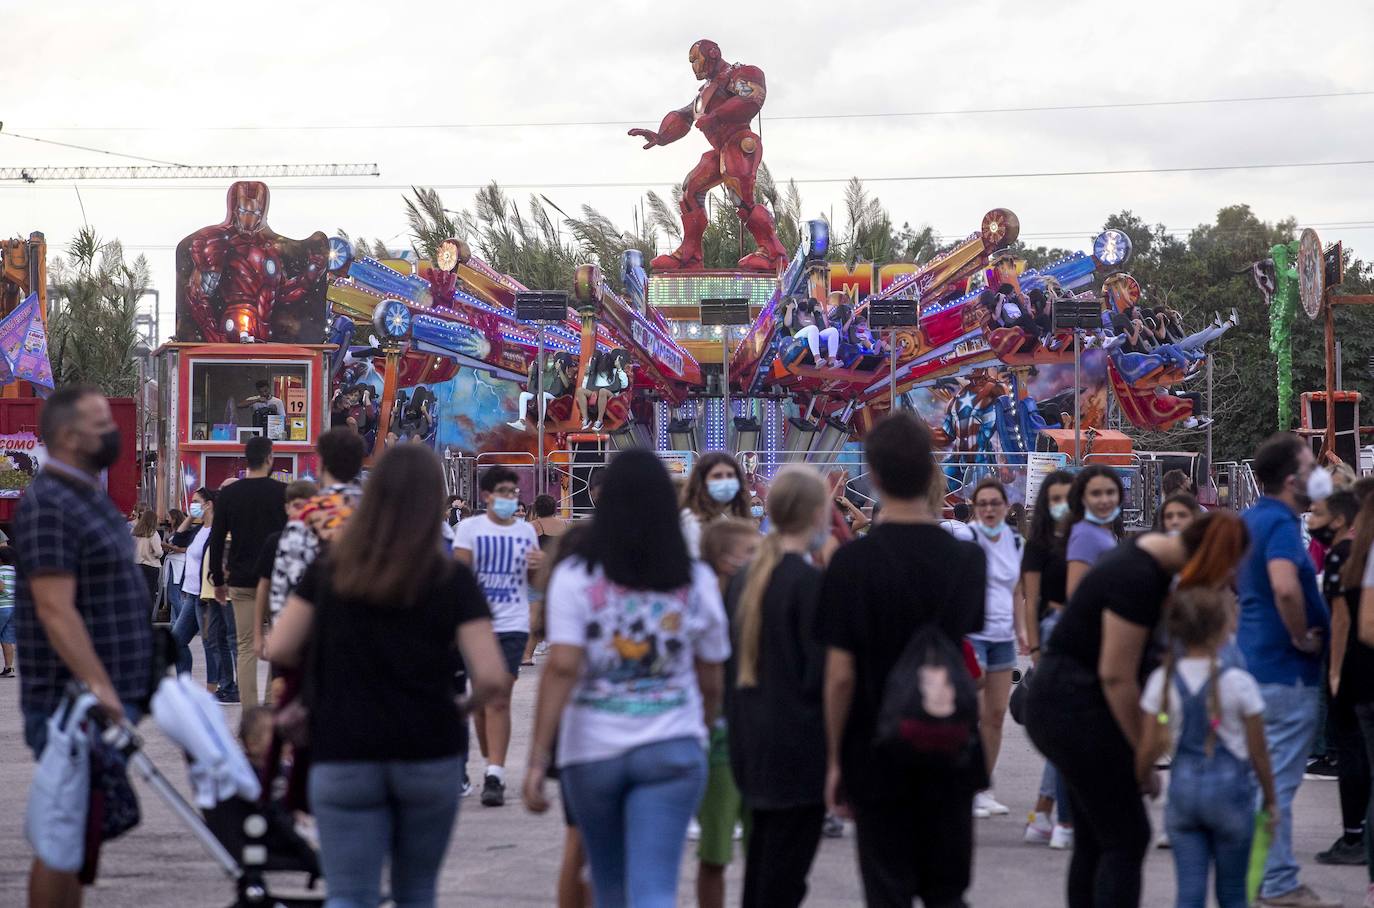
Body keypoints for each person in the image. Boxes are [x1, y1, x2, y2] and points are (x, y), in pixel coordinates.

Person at [268, 443, 511, 908]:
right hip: (427, 749)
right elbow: (493, 678)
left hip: (342, 749)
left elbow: (280, 646)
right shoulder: (450, 580)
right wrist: (456, 709)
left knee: (349, 895)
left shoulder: (331, 570)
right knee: (416, 893)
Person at [523, 449, 730, 908]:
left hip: (593, 751)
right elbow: (711, 676)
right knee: (655, 887)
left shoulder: (576, 574)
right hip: (673, 744)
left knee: (607, 882)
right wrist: (699, 727)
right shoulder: (695, 579)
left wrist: (538, 758)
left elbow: (561, 666)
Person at [1024, 508, 1249, 908]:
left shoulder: (1143, 554)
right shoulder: (1138, 577)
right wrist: (1141, 756)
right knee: (1127, 838)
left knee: (1096, 838)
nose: (1227, 583)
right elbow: (1117, 675)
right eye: (1227, 572)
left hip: (1062, 705)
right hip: (1074, 709)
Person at [817, 413, 987, 907]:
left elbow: (840, 676)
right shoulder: (967, 561)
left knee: (886, 888)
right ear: (930, 471)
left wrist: (833, 758)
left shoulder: (852, 563)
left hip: (875, 746)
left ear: (874, 472)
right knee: (947, 888)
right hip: (947, 737)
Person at [13, 385, 152, 907]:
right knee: (61, 834)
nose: (112, 434)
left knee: (77, 835)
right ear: (69, 437)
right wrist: (97, 683)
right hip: (68, 702)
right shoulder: (50, 504)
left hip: (97, 699)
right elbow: (54, 607)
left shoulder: (84, 496)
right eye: (101, 426)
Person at [1237, 433, 1338, 908]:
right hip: (1284, 670)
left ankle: (1258, 875)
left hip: (1255, 664)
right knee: (1277, 783)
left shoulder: (1251, 520)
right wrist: (1301, 635)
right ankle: (1277, 882)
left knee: (1263, 780)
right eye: (1308, 464)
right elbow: (1284, 586)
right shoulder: (1279, 524)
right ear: (1292, 478)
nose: (1317, 475)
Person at [1136, 586, 1278, 908]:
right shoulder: (1240, 683)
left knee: (1189, 890)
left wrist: (1145, 776)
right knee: (1233, 892)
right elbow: (1259, 753)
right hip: (1231, 799)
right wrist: (1270, 800)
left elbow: (1148, 746)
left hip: (1183, 794)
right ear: (1225, 628)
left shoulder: (1162, 680)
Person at [728, 469, 830, 907]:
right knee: (785, 879)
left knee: (762, 866)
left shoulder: (745, 578)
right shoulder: (808, 584)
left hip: (749, 738)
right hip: (799, 747)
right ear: (815, 513)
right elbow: (823, 676)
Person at [453, 465, 543, 807]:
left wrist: (538, 568)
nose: (510, 499)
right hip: (476, 626)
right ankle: (492, 758)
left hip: (512, 623)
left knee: (500, 696)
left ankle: (495, 773)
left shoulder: (526, 533)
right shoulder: (469, 529)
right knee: (481, 702)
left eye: (513, 493)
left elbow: (535, 585)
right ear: (487, 495)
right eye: (503, 492)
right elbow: (460, 578)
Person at [692, 517, 760, 908]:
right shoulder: (704, 607)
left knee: (761, 850)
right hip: (718, 739)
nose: (759, 560)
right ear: (723, 560)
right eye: (750, 552)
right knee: (714, 851)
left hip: (755, 734)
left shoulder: (759, 602)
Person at [1311, 489, 1370, 867]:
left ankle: (1354, 836)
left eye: (1316, 513)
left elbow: (1342, 621)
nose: (1310, 519)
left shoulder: (1343, 555)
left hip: (1353, 669)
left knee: (1353, 752)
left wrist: (1333, 672)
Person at [208, 435, 287, 709]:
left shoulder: (229, 494)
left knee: (244, 646)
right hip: (277, 580)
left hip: (241, 580)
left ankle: (250, 713)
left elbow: (217, 539)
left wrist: (217, 579)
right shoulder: (282, 493)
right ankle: (271, 706)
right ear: (269, 458)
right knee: (278, 646)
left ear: (246, 460)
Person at [1019, 469, 1076, 849]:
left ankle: (1045, 813)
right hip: (1054, 637)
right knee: (1065, 730)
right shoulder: (1038, 545)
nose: (1061, 506)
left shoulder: (1085, 537)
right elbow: (1031, 600)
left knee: (1067, 731)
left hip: (1083, 633)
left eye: (1067, 499)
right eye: (1054, 499)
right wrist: (1036, 649)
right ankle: (1055, 817)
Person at [965, 477, 1024, 820]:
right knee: (970, 713)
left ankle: (983, 786)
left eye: (994, 503)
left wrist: (1022, 632)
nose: (989, 509)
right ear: (975, 508)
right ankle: (964, 783)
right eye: (982, 504)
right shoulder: (966, 537)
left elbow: (1017, 591)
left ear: (1005, 506)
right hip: (973, 634)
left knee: (996, 715)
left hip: (1003, 637)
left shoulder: (1015, 542)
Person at [251, 479, 317, 696]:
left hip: (315, 631)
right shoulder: (275, 542)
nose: (300, 512)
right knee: (283, 688)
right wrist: (259, 634)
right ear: (287, 508)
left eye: (306, 506)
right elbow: (263, 586)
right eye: (296, 505)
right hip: (282, 625)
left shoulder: (322, 542)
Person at [1063, 464, 1125, 599]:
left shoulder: (1102, 531)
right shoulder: (1085, 535)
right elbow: (1075, 594)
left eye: (1110, 492)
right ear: (1082, 498)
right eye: (1095, 493)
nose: (1104, 500)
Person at [524, 494, 570, 665]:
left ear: (536, 509)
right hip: (557, 575)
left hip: (536, 575)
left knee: (534, 616)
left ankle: (527, 654)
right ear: (555, 508)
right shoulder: (564, 525)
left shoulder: (532, 527)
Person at [679, 452, 751, 559]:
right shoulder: (691, 520)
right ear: (702, 482)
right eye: (717, 476)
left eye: (730, 475)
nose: (725, 481)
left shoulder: (723, 516)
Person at [163, 508, 195, 676]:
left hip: (179, 565)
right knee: (173, 595)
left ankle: (182, 621)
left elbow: (183, 549)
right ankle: (177, 621)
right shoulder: (177, 531)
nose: (167, 519)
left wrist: (168, 546)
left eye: (169, 516)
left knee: (174, 595)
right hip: (174, 563)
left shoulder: (190, 532)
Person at [509, 352, 574, 431]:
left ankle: (541, 422)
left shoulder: (557, 369)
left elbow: (566, 385)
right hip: (540, 393)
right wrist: (530, 374)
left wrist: (559, 371)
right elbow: (529, 387)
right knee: (523, 395)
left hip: (554, 395)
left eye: (552, 359)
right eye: (549, 359)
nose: (550, 361)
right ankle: (521, 421)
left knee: (541, 394)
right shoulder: (540, 372)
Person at [577, 349, 630, 431]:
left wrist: (619, 369)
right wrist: (587, 374)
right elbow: (585, 386)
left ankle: (599, 420)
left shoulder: (616, 371)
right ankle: (586, 419)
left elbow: (624, 385)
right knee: (580, 390)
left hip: (611, 395)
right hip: (595, 393)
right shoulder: (595, 373)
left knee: (603, 391)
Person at [782, 295, 841, 369]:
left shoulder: (812, 316)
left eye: (806, 300)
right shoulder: (794, 315)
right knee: (813, 328)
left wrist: (822, 313)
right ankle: (817, 359)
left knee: (833, 330)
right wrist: (790, 308)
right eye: (802, 300)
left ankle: (832, 361)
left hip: (813, 335)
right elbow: (787, 323)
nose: (804, 302)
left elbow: (825, 328)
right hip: (797, 339)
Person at [131, 508, 163, 606]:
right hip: (150, 566)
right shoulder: (153, 533)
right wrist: (160, 554)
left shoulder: (134, 531)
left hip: (136, 565)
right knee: (149, 595)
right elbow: (158, 551)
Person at [0, 545, 16, 677]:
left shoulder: (0, 571)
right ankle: (9, 668)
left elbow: (1, 586)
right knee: (7, 639)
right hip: (13, 608)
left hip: (2, 607)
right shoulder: (15, 572)